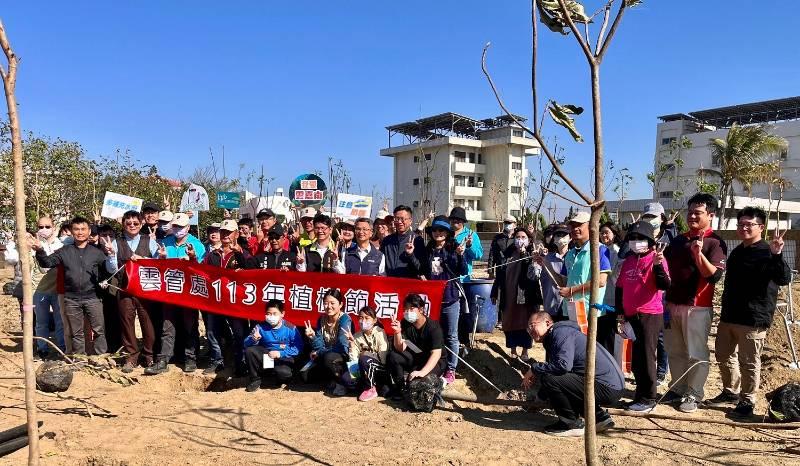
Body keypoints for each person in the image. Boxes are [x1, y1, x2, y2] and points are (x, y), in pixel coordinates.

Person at [706, 207, 791, 418]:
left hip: (753, 319)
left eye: (749, 224)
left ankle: (748, 399)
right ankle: (730, 391)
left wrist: (777, 254)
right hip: (729, 316)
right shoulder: (737, 252)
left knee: (749, 362)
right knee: (723, 356)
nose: (743, 228)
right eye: (741, 224)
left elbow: (784, 278)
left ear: (760, 227)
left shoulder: (767, 252)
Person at [662, 193, 727, 413]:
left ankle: (694, 393)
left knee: (696, 353)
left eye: (697, 213)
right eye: (690, 212)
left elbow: (714, 276)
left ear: (710, 215)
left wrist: (699, 256)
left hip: (697, 307)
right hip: (672, 305)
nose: (691, 216)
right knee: (675, 350)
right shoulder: (679, 240)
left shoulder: (715, 242)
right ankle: (678, 388)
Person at [522, 311, 624, 436]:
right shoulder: (556, 335)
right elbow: (564, 377)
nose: (530, 331)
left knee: (549, 377)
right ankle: (598, 418)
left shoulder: (560, 333)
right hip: (610, 385)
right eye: (528, 328)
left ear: (548, 323)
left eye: (533, 326)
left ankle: (570, 423)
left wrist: (534, 368)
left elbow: (562, 367)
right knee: (561, 380)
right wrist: (540, 399)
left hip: (606, 385)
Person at [32, 216, 110, 355]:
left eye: (83, 229)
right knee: (76, 332)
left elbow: (106, 272)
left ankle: (101, 357)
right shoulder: (64, 251)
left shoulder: (97, 253)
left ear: (89, 231)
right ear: (72, 232)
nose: (80, 232)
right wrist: (40, 250)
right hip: (71, 299)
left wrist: (109, 258)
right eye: (76, 229)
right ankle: (79, 358)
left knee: (99, 330)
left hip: (93, 297)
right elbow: (47, 263)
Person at [404, 215, 466, 385]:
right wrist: (410, 255)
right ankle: (436, 365)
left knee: (451, 336)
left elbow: (462, 270)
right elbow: (421, 268)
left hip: (451, 298)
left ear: (447, 232)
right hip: (433, 300)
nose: (438, 233)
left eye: (441, 230)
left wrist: (460, 255)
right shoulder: (429, 249)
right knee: (435, 335)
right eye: (435, 230)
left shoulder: (454, 248)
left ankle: (451, 369)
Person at [615, 221, 671, 412]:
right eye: (632, 238)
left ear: (649, 241)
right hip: (631, 316)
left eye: (640, 238)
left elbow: (664, 284)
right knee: (637, 358)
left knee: (648, 357)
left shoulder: (657, 258)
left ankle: (649, 398)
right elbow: (620, 288)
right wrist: (620, 315)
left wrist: (657, 266)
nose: (635, 241)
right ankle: (640, 395)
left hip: (649, 315)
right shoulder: (629, 260)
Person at [145, 212, 207, 375]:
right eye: (176, 226)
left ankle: (190, 357)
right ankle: (164, 359)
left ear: (188, 227)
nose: (178, 229)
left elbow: (202, 271)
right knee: (167, 326)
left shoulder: (197, 245)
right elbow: (156, 266)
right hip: (170, 293)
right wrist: (162, 258)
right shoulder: (165, 242)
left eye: (181, 226)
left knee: (190, 326)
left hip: (188, 294)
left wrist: (193, 259)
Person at [105, 210, 160, 372]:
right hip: (124, 288)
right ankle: (131, 356)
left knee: (147, 322)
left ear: (141, 224)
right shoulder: (116, 242)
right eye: (128, 223)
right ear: (123, 225)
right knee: (126, 322)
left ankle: (149, 354)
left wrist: (157, 257)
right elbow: (112, 269)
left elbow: (157, 264)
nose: (132, 226)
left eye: (136, 223)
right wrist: (111, 255)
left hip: (145, 289)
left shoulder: (148, 241)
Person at [5, 217, 66, 357]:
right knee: (40, 322)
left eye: (47, 226)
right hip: (37, 291)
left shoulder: (62, 245)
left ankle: (61, 348)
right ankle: (42, 348)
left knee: (60, 321)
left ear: (54, 227)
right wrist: (15, 243)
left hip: (58, 291)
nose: (44, 229)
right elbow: (12, 258)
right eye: (41, 227)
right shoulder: (32, 247)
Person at [559, 211, 613, 353]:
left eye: (579, 225)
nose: (575, 228)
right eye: (572, 225)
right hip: (571, 309)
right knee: (575, 348)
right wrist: (544, 264)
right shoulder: (570, 254)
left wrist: (571, 291)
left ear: (591, 226)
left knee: (590, 349)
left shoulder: (600, 250)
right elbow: (562, 280)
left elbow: (601, 281)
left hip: (590, 311)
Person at [201, 219, 250, 375]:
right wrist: (192, 259)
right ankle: (217, 360)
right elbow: (201, 272)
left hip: (236, 301)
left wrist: (240, 254)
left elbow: (252, 270)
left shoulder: (244, 253)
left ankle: (240, 362)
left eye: (229, 232)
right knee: (212, 331)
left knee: (239, 332)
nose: (225, 235)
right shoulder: (212, 255)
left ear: (236, 233)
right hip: (215, 300)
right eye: (223, 232)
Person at [491, 228, 542, 361]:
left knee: (525, 322)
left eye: (523, 237)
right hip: (508, 294)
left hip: (525, 295)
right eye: (517, 237)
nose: (520, 239)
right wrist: (494, 291)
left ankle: (525, 350)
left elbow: (532, 273)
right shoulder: (507, 254)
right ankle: (512, 349)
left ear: (529, 240)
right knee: (509, 322)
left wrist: (525, 254)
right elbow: (499, 274)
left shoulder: (533, 254)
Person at [641, 202, 676, 386]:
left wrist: (672, 226)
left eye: (653, 217)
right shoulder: (641, 237)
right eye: (646, 216)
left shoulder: (669, 237)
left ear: (662, 219)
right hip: (644, 292)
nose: (650, 220)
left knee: (662, 336)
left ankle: (662, 371)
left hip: (663, 293)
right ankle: (648, 370)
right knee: (646, 336)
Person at [386, 294, 446, 400]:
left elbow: (436, 354)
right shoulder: (405, 323)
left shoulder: (433, 327)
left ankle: (440, 381)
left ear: (421, 309)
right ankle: (400, 388)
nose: (408, 312)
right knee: (393, 356)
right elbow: (400, 348)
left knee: (418, 386)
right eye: (406, 309)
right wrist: (397, 332)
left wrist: (422, 372)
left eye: (412, 308)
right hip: (417, 358)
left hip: (435, 362)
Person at [243, 299, 304, 392]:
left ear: (282, 314)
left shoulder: (291, 328)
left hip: (284, 357)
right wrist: (253, 339)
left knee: (283, 373)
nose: (271, 316)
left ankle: (280, 378)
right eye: (268, 313)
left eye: (275, 313)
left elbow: (298, 348)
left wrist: (280, 354)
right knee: (250, 351)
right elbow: (245, 343)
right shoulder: (260, 327)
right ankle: (255, 380)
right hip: (268, 356)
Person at [304, 288, 353, 395]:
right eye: (326, 303)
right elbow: (319, 345)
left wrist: (319, 352)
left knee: (329, 358)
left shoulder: (345, 320)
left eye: (332, 303)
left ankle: (341, 383)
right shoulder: (321, 319)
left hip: (342, 357)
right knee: (304, 376)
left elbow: (342, 346)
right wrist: (312, 337)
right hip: (325, 353)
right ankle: (331, 378)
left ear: (340, 304)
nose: (328, 306)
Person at [343, 306, 390, 402]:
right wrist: (351, 344)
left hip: (379, 368)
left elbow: (383, 359)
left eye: (367, 318)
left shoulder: (379, 332)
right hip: (364, 369)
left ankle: (370, 388)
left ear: (374, 320)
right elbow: (354, 362)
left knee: (364, 357)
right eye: (360, 317)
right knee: (346, 379)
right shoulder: (356, 336)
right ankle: (371, 385)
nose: (363, 320)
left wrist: (367, 355)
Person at [531, 223, 569, 319]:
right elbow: (533, 275)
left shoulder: (575, 257)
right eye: (557, 235)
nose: (560, 238)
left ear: (570, 238)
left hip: (570, 309)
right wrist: (534, 261)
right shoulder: (546, 258)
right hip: (551, 308)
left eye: (563, 235)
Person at [381, 205, 426, 278]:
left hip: (408, 285)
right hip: (389, 283)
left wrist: (410, 255)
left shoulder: (417, 240)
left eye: (402, 219)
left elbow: (421, 268)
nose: (399, 222)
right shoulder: (387, 241)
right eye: (396, 219)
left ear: (410, 220)